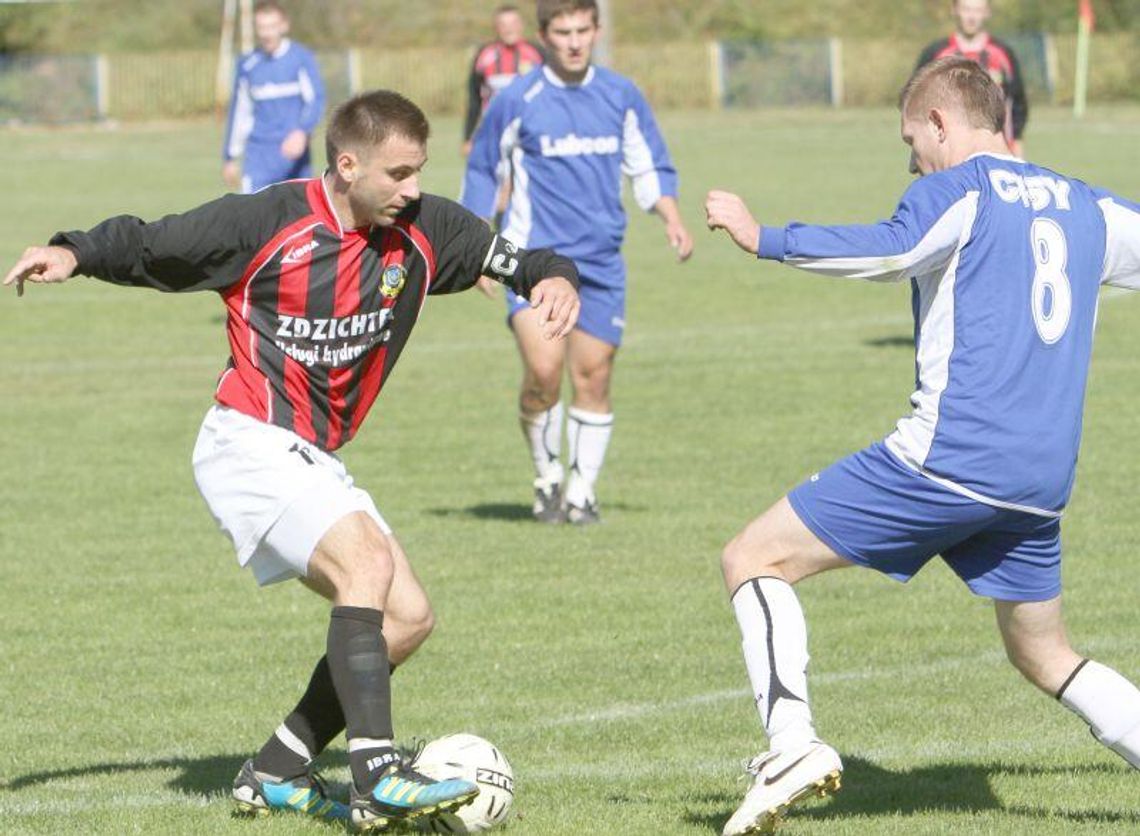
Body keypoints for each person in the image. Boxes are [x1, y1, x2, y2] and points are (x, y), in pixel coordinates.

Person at [4, 89, 579, 832]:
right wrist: (74, 250)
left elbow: (519, 257)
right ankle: (376, 778)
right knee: (364, 562)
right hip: (246, 440)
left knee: (407, 616)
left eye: (418, 172)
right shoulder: (266, 223)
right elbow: (157, 242)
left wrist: (552, 275)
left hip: (310, 454)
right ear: (347, 165)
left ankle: (278, 766)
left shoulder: (427, 228)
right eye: (397, 174)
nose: (412, 189)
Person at [705, 56, 1140, 835]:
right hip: (1039, 483)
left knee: (753, 557)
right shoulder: (1088, 206)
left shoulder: (958, 189)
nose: (911, 159)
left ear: (942, 122)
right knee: (1044, 654)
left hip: (952, 461)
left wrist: (763, 236)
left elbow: (892, 249)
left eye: (913, 139)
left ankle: (792, 747)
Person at [462, 0, 693, 525]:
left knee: (594, 377)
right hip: (532, 264)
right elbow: (482, 170)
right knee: (544, 373)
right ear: (543, 35)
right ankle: (547, 475)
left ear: (595, 30)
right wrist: (478, 248)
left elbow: (648, 161)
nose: (572, 41)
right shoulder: (517, 99)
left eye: (582, 30)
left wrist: (671, 217)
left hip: (600, 263)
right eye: (561, 31)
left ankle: (582, 492)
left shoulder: (620, 94)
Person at [222, 1, 326, 193]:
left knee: (299, 217)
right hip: (259, 156)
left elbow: (316, 100)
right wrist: (230, 157)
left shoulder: (301, 58)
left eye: (271, 26)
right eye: (261, 27)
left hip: (294, 156)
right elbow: (239, 112)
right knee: (254, 217)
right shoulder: (247, 65)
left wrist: (302, 132)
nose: (266, 33)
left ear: (283, 26)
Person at [916, 0, 1028, 156]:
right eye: (967, 9)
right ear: (954, 10)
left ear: (987, 12)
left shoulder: (1003, 53)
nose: (972, 17)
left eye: (977, 10)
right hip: (949, 153)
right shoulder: (935, 54)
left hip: (997, 150)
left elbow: (1017, 102)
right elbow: (916, 104)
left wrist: (1016, 142)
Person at [462, 4, 544, 157]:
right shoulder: (484, 55)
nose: (509, 29)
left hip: (529, 131)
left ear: (521, 25)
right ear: (496, 28)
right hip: (494, 131)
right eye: (503, 25)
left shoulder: (537, 54)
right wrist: (468, 138)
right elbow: (474, 99)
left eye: (513, 24)